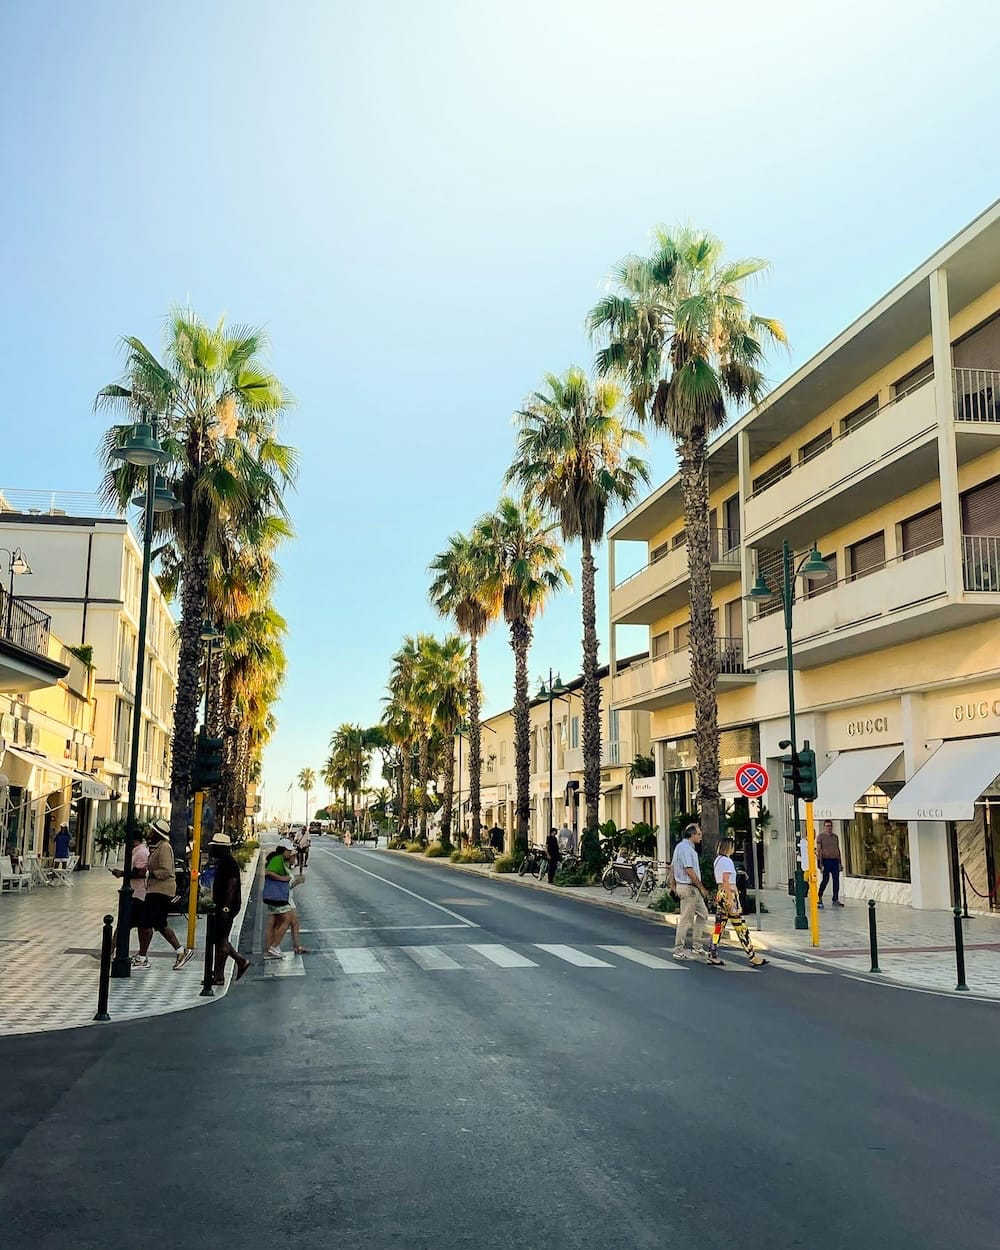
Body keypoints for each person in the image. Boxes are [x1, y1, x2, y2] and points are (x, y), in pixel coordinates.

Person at [136, 819, 194, 970]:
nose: (149, 833)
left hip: (161, 891)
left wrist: (149, 873)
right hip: (154, 890)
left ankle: (142, 957)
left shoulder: (164, 848)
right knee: (159, 924)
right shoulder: (157, 847)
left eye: (151, 831)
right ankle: (180, 951)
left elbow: (167, 871)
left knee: (146, 922)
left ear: (157, 834)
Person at [707, 836, 767, 968]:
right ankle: (752, 956)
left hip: (720, 894)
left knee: (719, 926)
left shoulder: (718, 860)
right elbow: (726, 880)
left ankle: (712, 952)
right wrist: (731, 900)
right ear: (729, 847)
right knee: (740, 927)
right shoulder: (727, 861)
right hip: (729, 894)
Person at [208, 833, 250, 984]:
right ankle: (222, 972)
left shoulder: (228, 863)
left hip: (227, 906)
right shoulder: (224, 862)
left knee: (221, 939)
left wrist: (226, 907)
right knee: (219, 939)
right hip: (224, 905)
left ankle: (232, 966)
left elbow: (231, 886)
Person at [671, 823, 711, 961]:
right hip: (689, 887)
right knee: (686, 920)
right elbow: (689, 870)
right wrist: (701, 887)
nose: (701, 837)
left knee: (703, 914)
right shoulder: (687, 849)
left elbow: (672, 866)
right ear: (692, 835)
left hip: (688, 887)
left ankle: (697, 945)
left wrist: (673, 885)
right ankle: (678, 949)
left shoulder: (679, 847)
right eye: (699, 834)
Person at [110, 829, 150, 963]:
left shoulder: (141, 852)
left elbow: (141, 872)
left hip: (138, 894)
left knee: (130, 924)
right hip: (135, 893)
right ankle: (111, 950)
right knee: (127, 924)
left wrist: (122, 874)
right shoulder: (137, 851)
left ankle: (114, 951)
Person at [264, 838, 297, 957]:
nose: (289, 853)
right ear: (283, 850)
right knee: (287, 920)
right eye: (288, 851)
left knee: (272, 922)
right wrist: (282, 879)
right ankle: (274, 946)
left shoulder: (279, 859)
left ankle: (269, 948)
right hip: (278, 896)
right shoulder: (277, 859)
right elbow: (268, 872)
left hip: (273, 895)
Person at [816, 820, 845, 908]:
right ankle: (819, 896)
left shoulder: (835, 837)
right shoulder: (820, 837)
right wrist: (820, 863)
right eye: (827, 826)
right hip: (826, 860)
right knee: (825, 880)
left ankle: (835, 899)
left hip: (834, 860)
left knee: (836, 880)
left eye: (830, 826)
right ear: (824, 827)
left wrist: (840, 862)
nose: (829, 828)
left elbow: (837, 849)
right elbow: (818, 850)